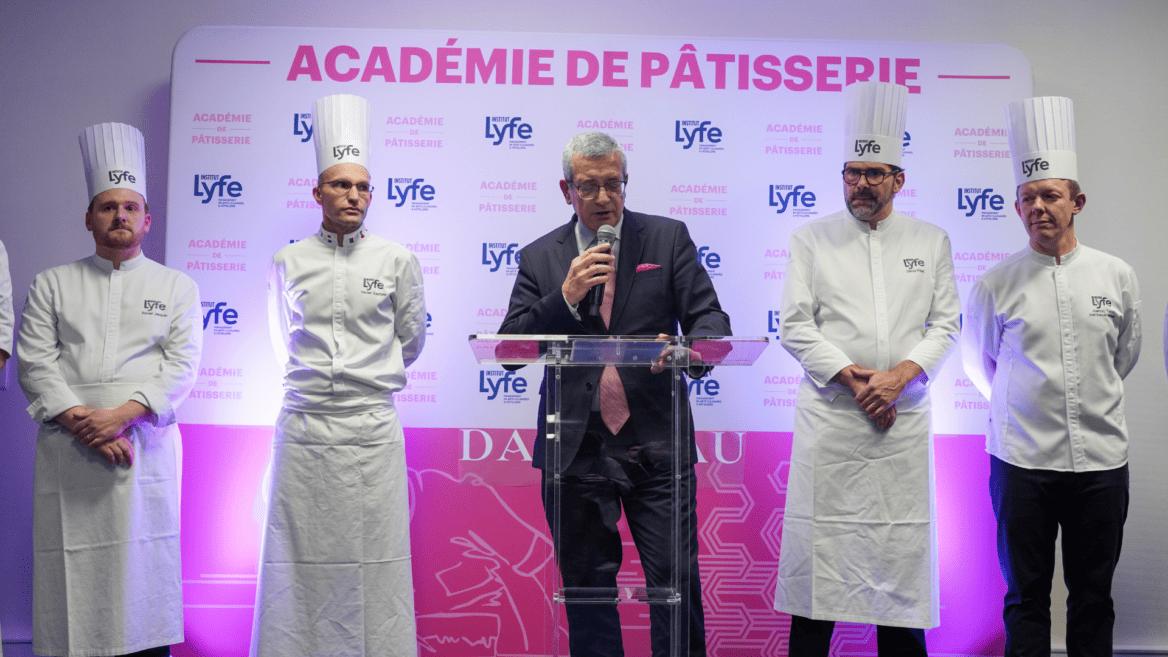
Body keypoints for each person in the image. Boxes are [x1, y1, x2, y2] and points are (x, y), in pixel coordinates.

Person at [499, 131, 731, 657]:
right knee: (587, 592)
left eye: (613, 184)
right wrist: (566, 295)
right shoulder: (541, 258)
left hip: (656, 444)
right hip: (576, 451)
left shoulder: (667, 239)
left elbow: (710, 319)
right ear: (567, 190)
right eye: (589, 186)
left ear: (626, 183)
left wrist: (691, 345)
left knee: (675, 584)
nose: (603, 197)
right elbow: (512, 347)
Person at [774, 81, 960, 655]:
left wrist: (900, 376)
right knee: (819, 582)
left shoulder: (931, 241)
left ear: (898, 179)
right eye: (851, 172)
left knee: (898, 578)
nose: (860, 184)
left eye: (873, 173)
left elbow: (946, 325)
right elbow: (796, 325)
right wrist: (858, 381)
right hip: (833, 426)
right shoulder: (810, 238)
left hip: (899, 428)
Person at [962, 96, 1140, 657]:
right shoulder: (996, 283)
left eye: (1050, 196)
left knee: (1094, 596)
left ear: (1077, 202)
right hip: (1021, 464)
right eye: (1027, 198)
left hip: (1101, 462)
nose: (1038, 207)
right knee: (1025, 596)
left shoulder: (1116, 275)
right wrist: (1026, 406)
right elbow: (978, 364)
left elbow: (1123, 356)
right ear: (1017, 208)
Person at [17, 122, 202, 657]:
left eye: (130, 207)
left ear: (147, 219)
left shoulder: (176, 286)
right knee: (69, 573)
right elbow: (36, 362)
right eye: (107, 206)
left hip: (142, 449)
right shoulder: (52, 282)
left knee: (142, 575)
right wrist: (87, 424)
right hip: (69, 451)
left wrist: (119, 415)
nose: (119, 216)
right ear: (88, 218)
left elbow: (182, 366)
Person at [252, 93, 427, 657]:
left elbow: (412, 340)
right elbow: (284, 342)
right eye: (340, 185)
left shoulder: (397, 259)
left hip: (372, 432)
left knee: (376, 564)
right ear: (318, 192)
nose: (353, 196)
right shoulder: (289, 260)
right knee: (293, 562)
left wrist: (363, 378)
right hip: (303, 432)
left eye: (363, 187)